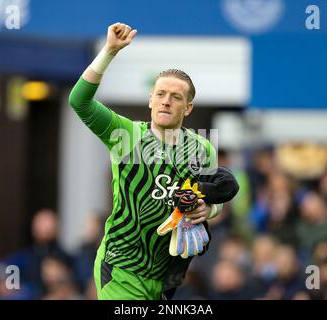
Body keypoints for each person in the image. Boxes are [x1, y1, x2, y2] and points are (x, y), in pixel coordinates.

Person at [68, 22, 238, 300]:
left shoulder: (202, 147)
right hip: (122, 267)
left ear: (188, 107)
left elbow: (212, 199)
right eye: (160, 94)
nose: (166, 101)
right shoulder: (126, 134)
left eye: (175, 97)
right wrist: (110, 50)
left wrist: (209, 210)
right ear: (150, 100)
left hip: (167, 274)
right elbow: (79, 101)